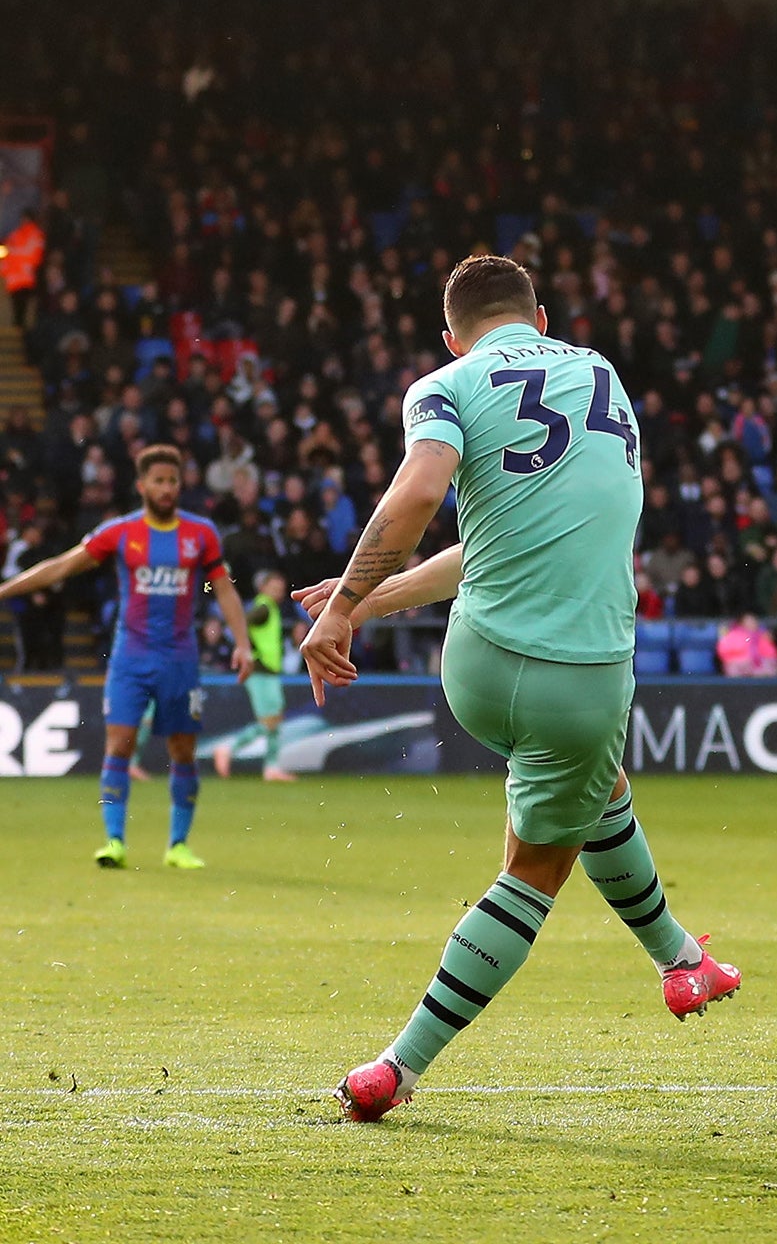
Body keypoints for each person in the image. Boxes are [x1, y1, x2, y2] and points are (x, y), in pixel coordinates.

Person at [300, 256, 738, 1123]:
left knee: (591, 785)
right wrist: (347, 602)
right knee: (533, 870)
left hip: (475, 667)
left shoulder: (443, 383)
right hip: (582, 677)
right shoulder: (603, 377)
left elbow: (478, 535)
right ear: (541, 321)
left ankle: (682, 960)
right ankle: (397, 1066)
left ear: (451, 332)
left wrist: (359, 603)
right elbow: (433, 497)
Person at [0, 444, 255, 868]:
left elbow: (220, 587)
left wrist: (242, 642)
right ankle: (114, 841)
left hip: (179, 660)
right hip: (130, 657)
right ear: (141, 486)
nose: (167, 488)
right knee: (118, 744)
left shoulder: (201, 535)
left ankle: (178, 845)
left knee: (183, 750)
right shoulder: (119, 533)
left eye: (173, 480)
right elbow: (63, 566)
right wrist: (6, 589)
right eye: (158, 480)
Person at [211, 569, 296, 780]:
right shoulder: (264, 608)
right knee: (270, 719)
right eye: (274, 587)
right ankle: (229, 748)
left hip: (269, 671)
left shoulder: (269, 608)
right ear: (263, 587)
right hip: (260, 671)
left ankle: (272, 766)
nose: (279, 591)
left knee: (274, 719)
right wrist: (250, 649)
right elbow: (241, 623)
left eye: (281, 588)